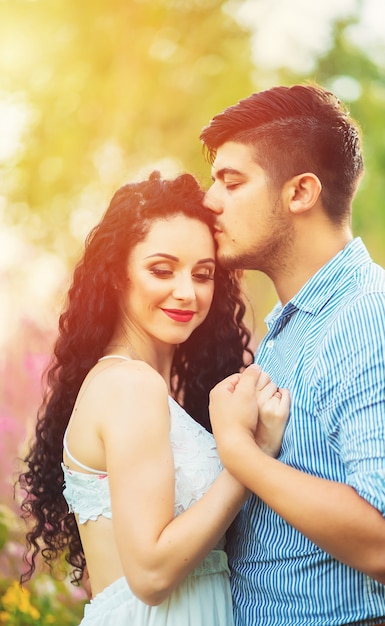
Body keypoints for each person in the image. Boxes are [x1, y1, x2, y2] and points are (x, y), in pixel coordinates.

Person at [18, 171, 290, 626]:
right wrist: (251, 456)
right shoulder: (130, 386)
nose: (186, 292)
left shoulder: (143, 387)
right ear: (117, 276)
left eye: (203, 274)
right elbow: (151, 573)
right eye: (162, 270)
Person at [200, 84, 385, 626]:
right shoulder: (290, 329)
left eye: (232, 181)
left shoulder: (371, 317)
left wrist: (239, 452)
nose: (210, 200)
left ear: (300, 193)